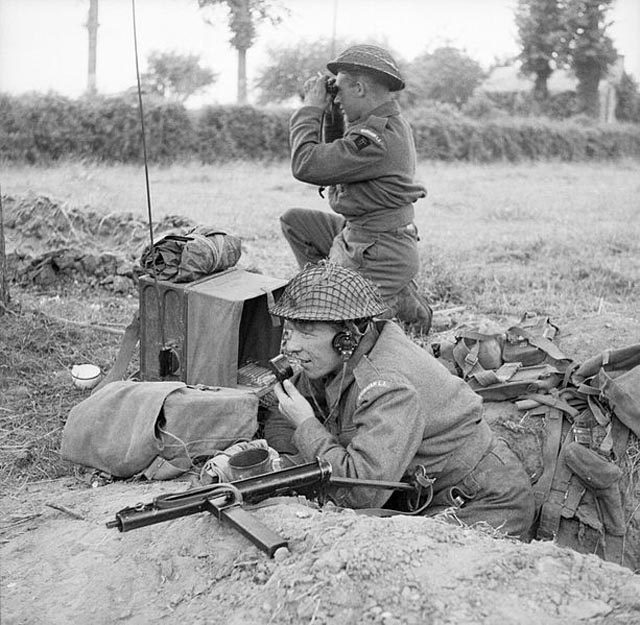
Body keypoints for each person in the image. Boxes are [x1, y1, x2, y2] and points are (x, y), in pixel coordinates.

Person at [265, 261, 536, 540]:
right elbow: (281, 417)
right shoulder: (344, 355)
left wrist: (306, 426)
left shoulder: (388, 386)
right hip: (424, 496)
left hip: (482, 504)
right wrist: (287, 459)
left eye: (306, 331)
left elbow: (360, 492)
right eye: (290, 330)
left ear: (345, 337)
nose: (291, 346)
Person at [281, 44, 433, 333]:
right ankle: (336, 283)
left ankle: (398, 302)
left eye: (339, 90)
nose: (335, 98)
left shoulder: (376, 138)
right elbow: (340, 155)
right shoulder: (375, 124)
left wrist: (311, 109)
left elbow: (306, 164)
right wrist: (334, 114)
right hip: (360, 234)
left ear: (360, 88)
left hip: (379, 251)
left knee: (333, 327)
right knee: (295, 222)